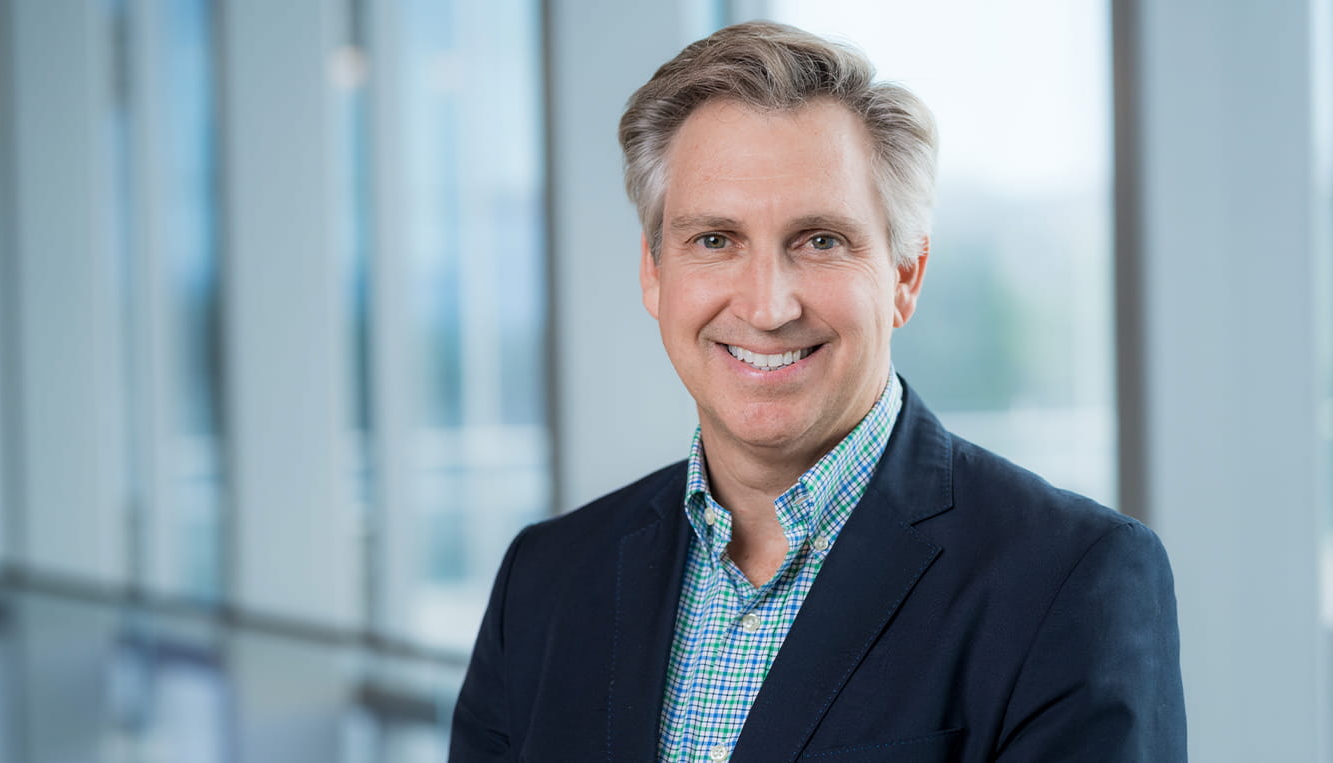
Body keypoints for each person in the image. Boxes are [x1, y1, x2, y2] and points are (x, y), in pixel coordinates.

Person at [450, 20, 1185, 762]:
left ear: (905, 276)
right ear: (654, 271)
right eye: (714, 240)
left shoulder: (1071, 579)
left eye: (820, 240)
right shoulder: (546, 579)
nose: (768, 307)